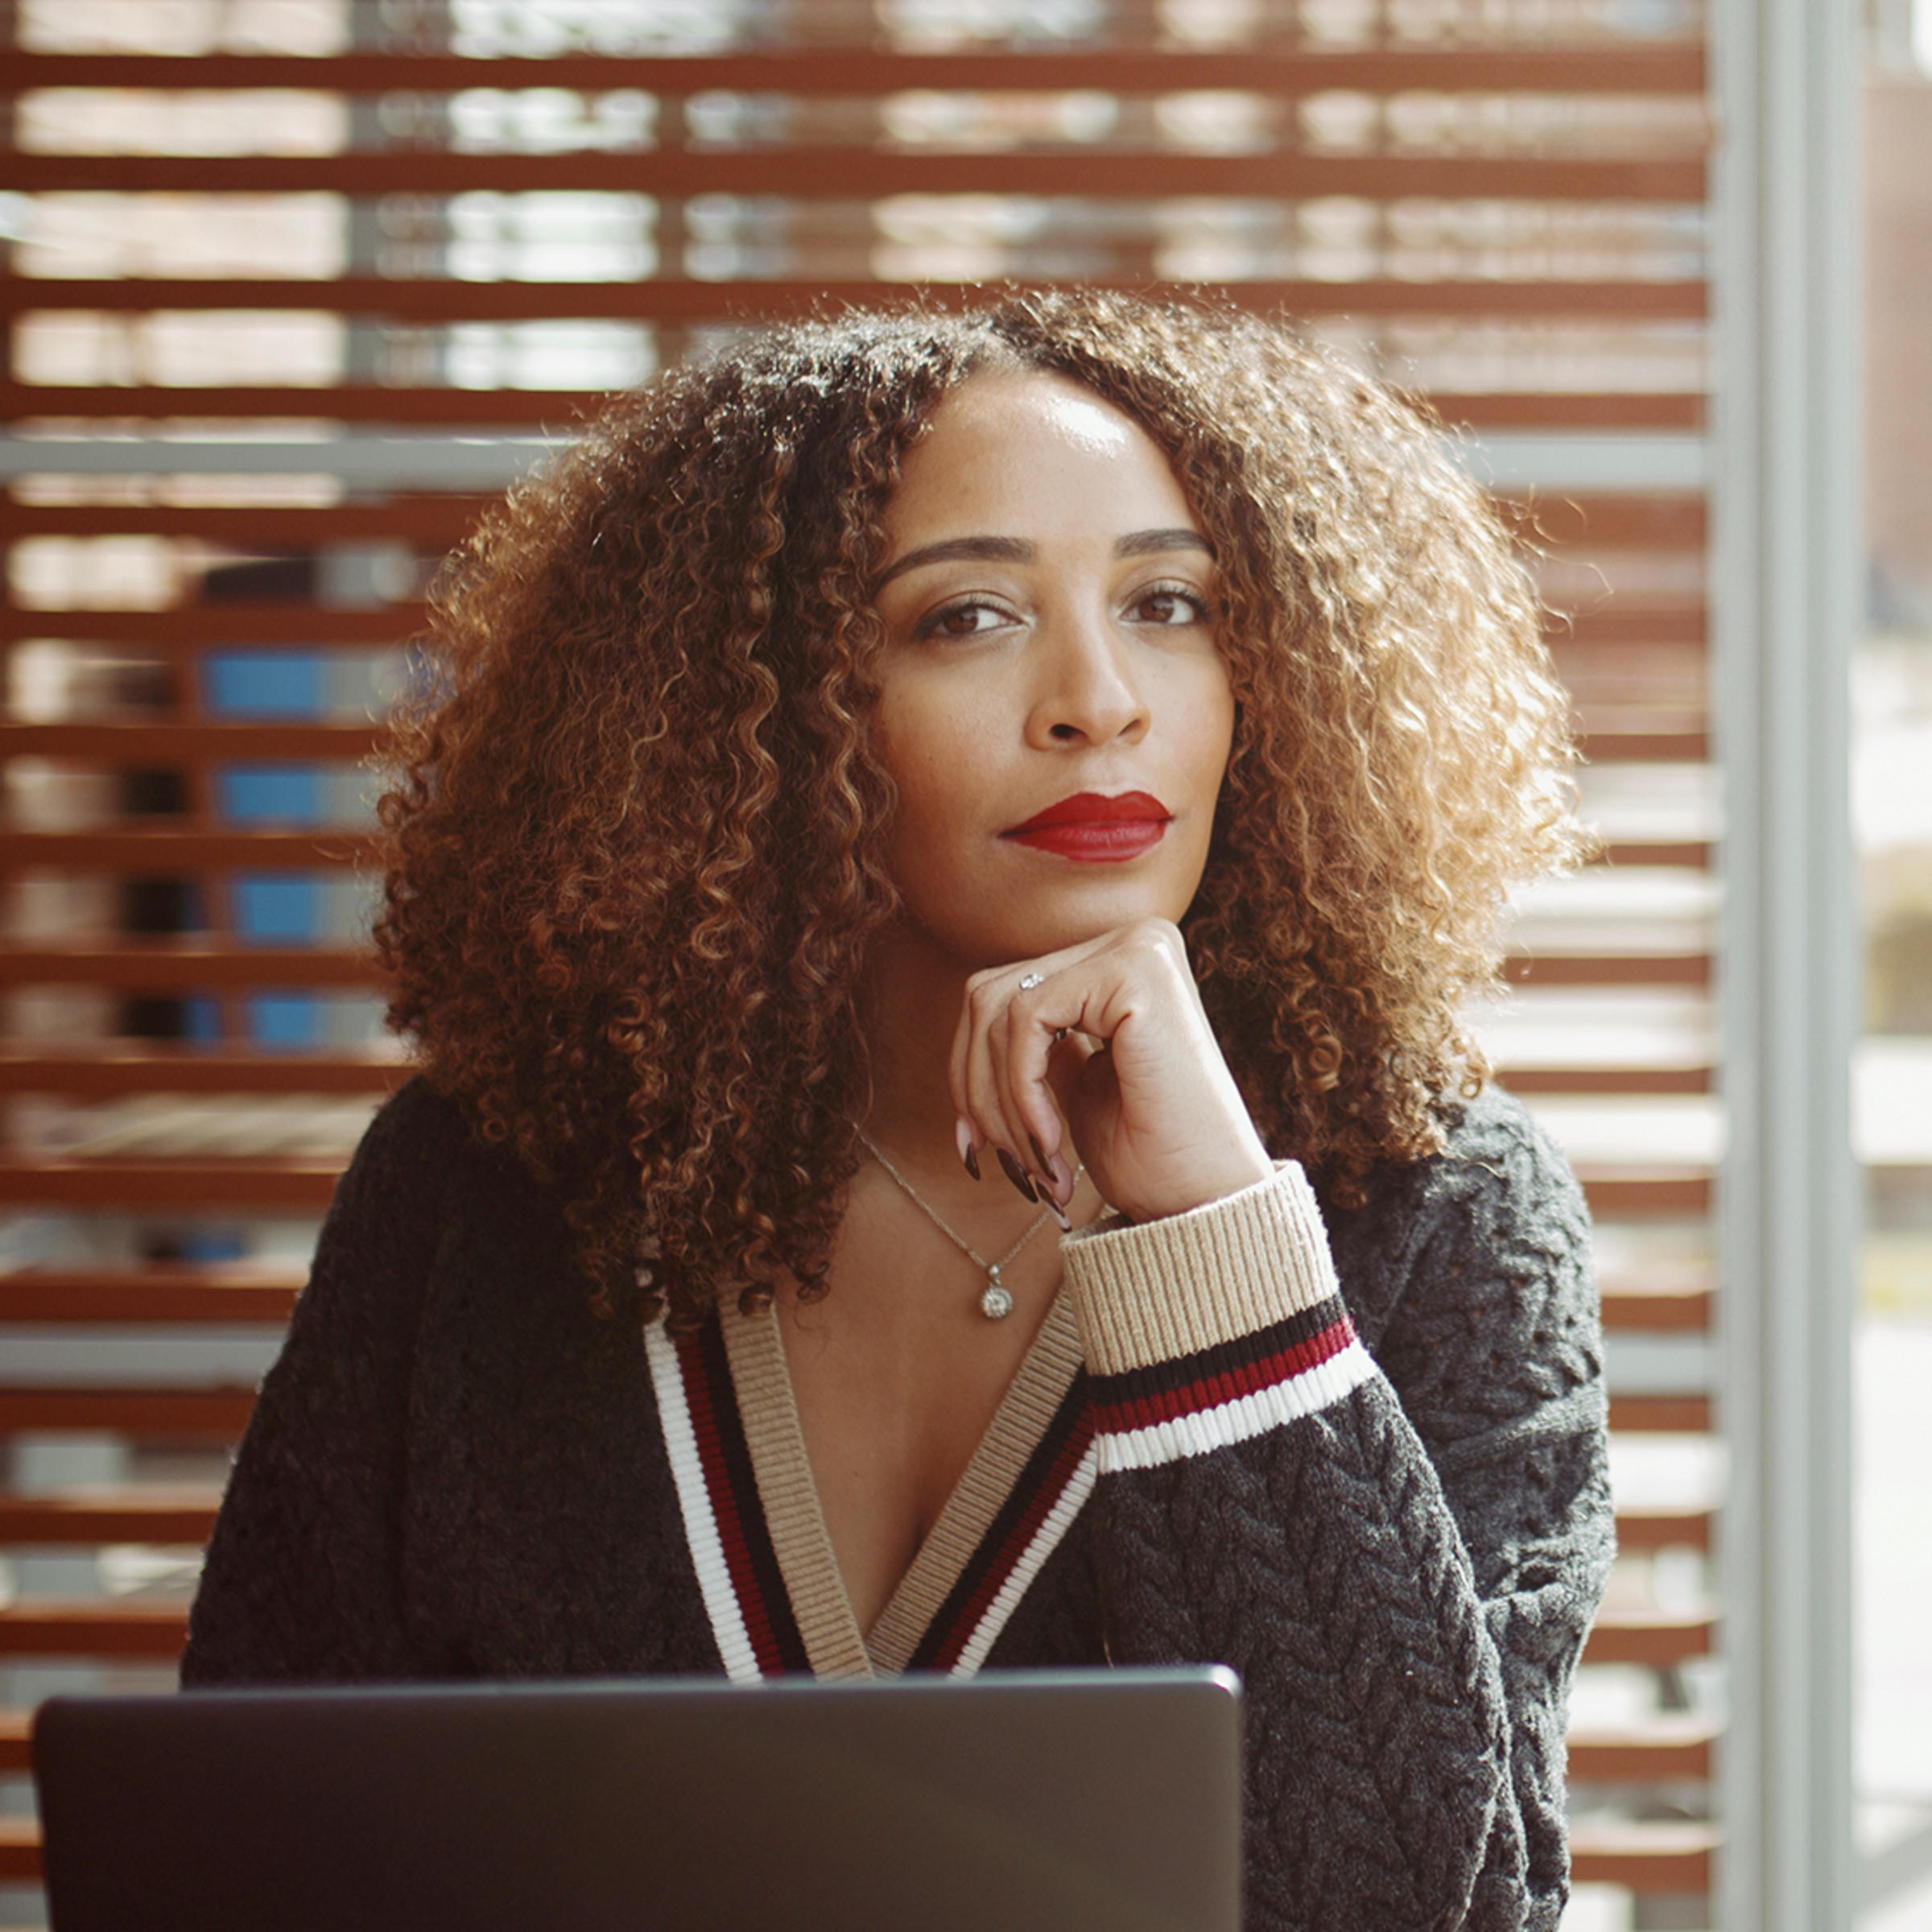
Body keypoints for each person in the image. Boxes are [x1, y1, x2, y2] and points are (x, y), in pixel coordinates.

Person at [182, 289, 1613, 1930]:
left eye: (1170, 603)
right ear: (756, 713)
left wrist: (1216, 1246)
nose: (1099, 700)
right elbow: (239, 1850)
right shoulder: (476, 1196)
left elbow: (1423, 1907)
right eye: (965, 618)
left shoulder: (1445, 1216)